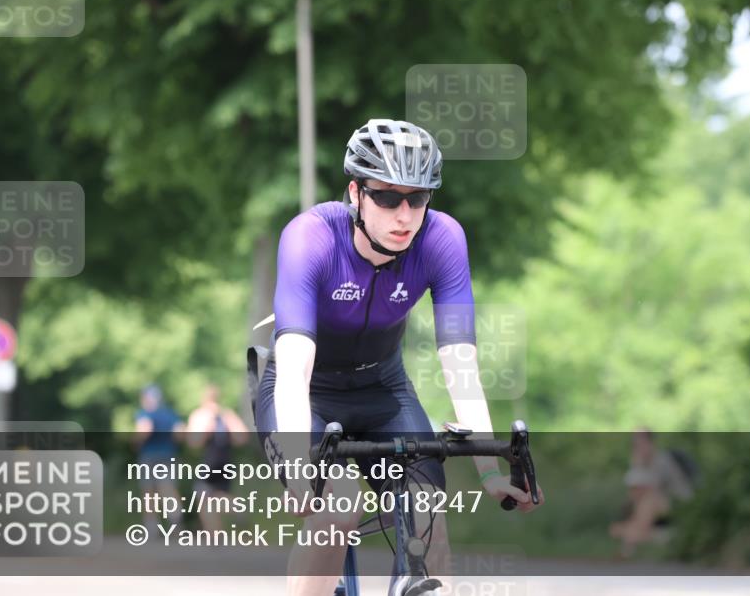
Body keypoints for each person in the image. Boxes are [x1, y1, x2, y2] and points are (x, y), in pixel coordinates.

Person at [256, 119, 544, 596]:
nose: (404, 215)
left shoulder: (442, 239)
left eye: (418, 198)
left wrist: (491, 472)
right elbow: (293, 369)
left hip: (383, 390)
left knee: (428, 510)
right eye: (387, 197)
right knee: (337, 504)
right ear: (356, 193)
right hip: (308, 392)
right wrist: (298, 468)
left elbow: (460, 364)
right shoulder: (310, 238)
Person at [609, 428, 694, 558]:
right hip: (652, 509)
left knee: (649, 499)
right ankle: (644, 535)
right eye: (635, 443)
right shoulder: (638, 461)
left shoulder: (662, 461)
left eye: (640, 442)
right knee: (620, 524)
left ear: (650, 442)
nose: (638, 446)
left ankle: (633, 538)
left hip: (674, 505)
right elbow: (634, 490)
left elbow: (652, 488)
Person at [187, 384, 249, 531]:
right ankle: (234, 509)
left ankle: (216, 533)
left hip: (210, 461)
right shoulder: (227, 414)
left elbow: (193, 442)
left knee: (203, 497)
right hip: (226, 461)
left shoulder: (201, 414)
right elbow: (243, 437)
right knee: (216, 496)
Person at [135, 384, 186, 532]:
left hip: (149, 455)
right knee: (168, 487)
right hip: (168, 454)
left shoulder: (145, 414)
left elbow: (145, 429)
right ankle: (176, 520)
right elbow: (180, 432)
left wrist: (136, 441)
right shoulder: (170, 414)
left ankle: (152, 526)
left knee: (148, 491)